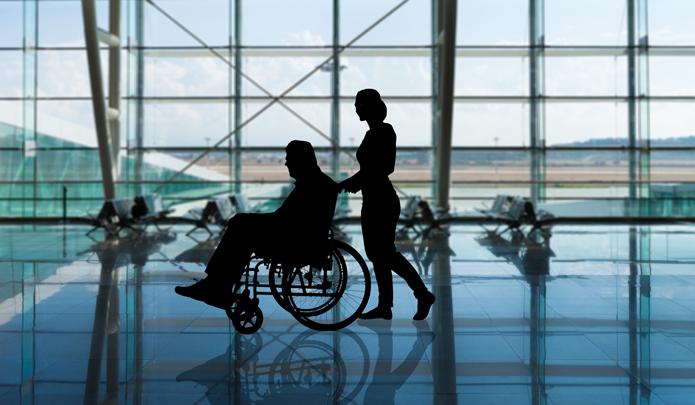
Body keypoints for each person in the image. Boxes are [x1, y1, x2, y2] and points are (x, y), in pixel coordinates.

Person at [176, 140, 338, 308]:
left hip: (293, 241)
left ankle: (215, 286)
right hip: (298, 237)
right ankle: (216, 286)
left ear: (301, 159)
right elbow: (291, 219)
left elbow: (285, 220)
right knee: (241, 229)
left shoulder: (311, 185)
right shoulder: (318, 183)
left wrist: (248, 219)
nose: (286, 162)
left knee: (240, 227)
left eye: (289, 158)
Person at [339, 88, 435, 321]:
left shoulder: (384, 131)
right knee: (378, 255)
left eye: (358, 104)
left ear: (369, 106)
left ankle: (422, 294)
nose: (355, 108)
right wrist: (356, 182)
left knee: (386, 254)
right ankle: (385, 305)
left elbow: (383, 168)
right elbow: (370, 170)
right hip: (373, 199)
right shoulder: (372, 132)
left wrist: (353, 182)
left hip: (381, 201)